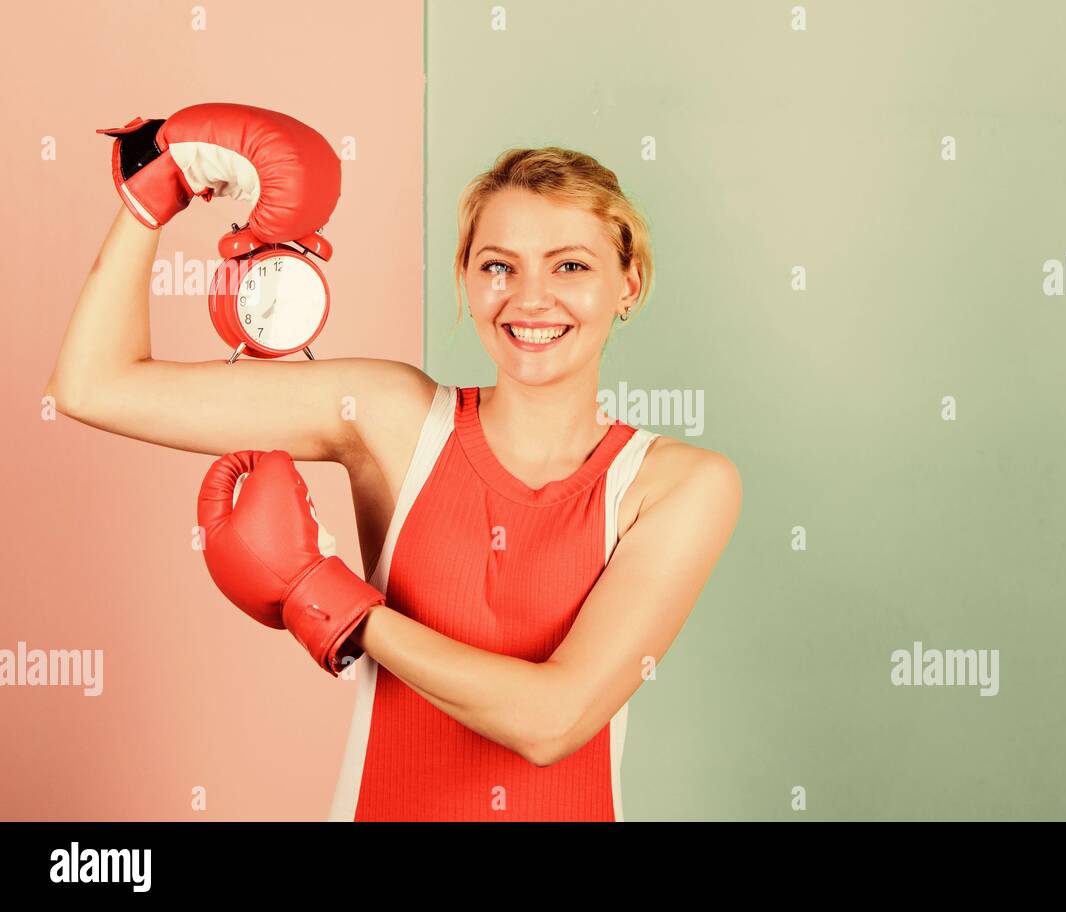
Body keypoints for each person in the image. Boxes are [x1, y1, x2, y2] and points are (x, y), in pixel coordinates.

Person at [46, 139, 742, 821]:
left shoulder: (675, 485)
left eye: (570, 267)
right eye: (499, 265)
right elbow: (94, 386)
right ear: (466, 279)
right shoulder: (392, 417)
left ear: (628, 284)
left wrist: (337, 607)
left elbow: (551, 722)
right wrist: (152, 193)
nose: (531, 298)